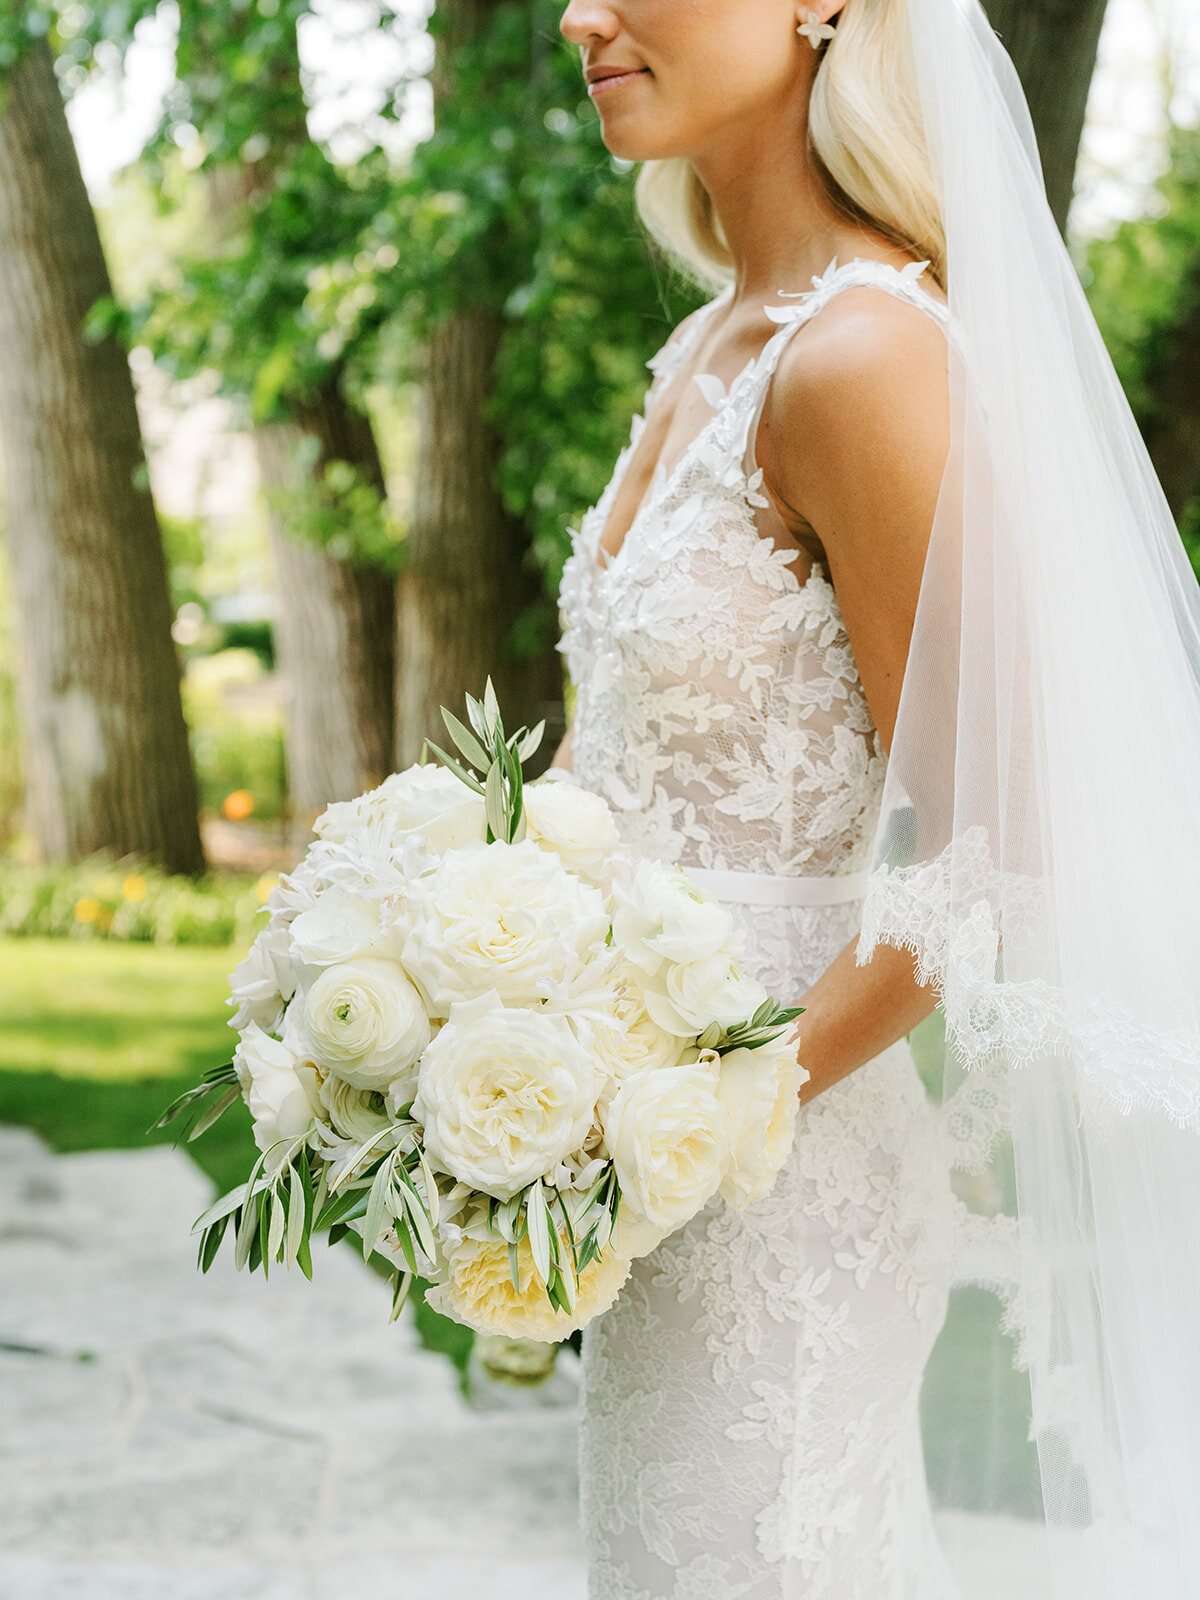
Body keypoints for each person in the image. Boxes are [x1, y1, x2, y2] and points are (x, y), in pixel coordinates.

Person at [547, 0, 1200, 1597]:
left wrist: (715, 1112)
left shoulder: (864, 358)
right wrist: (452, 968)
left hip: (781, 1176)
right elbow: (601, 765)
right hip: (644, 1168)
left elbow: (994, 860)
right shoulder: (716, 343)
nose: (581, 16)